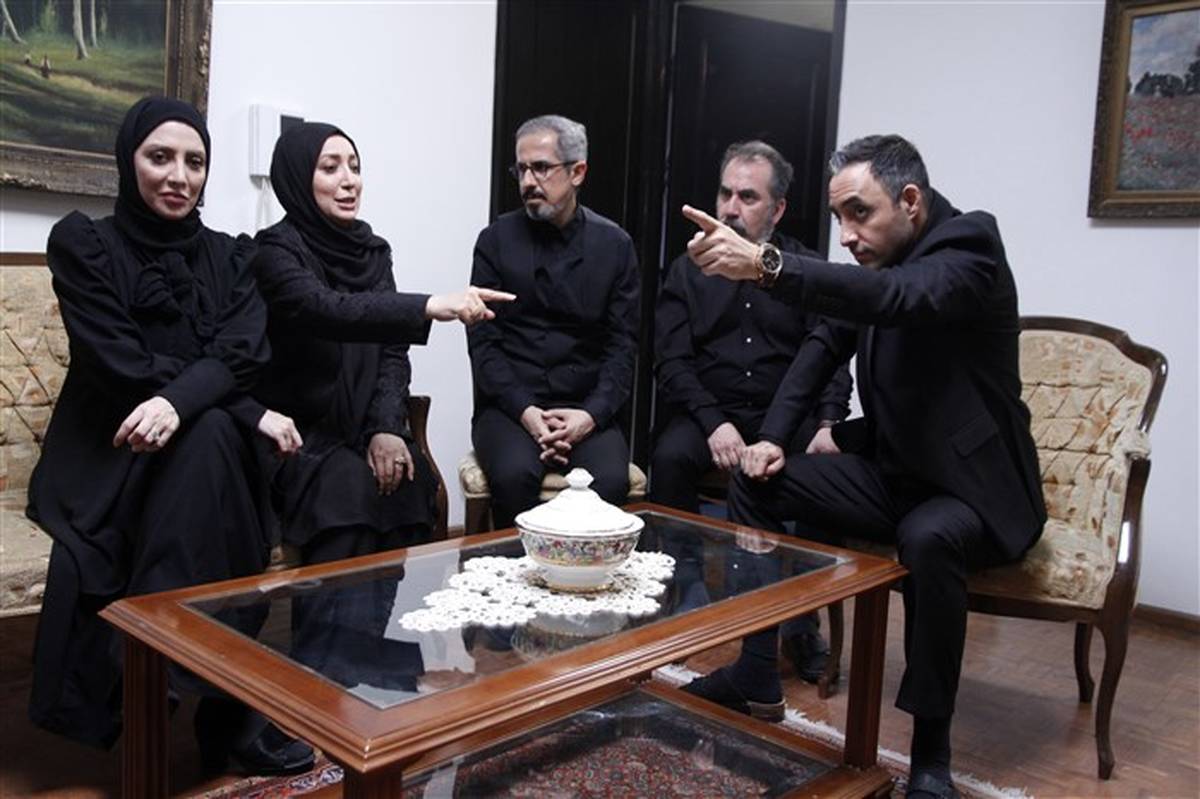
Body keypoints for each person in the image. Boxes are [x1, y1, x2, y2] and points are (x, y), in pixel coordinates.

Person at [679, 135, 1046, 798]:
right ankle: (757, 671)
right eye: (838, 217)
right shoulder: (877, 259)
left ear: (911, 200)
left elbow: (900, 298)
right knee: (757, 482)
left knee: (928, 537)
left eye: (860, 213)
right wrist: (771, 439)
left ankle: (930, 755)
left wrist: (765, 263)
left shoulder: (970, 246)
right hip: (894, 472)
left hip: (970, 489)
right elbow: (821, 348)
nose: (846, 235)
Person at [26, 97, 313, 775]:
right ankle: (229, 708)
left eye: (195, 161)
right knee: (216, 433)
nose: (179, 176)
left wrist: (185, 402)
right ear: (128, 160)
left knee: (208, 436)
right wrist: (236, 407)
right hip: (108, 449)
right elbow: (118, 362)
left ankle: (153, 668)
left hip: (197, 455)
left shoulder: (231, 257)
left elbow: (245, 352)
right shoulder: (83, 244)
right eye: (160, 157)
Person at [251, 123, 511, 690]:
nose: (349, 181)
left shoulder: (371, 251)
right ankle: (329, 663)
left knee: (401, 477)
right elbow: (327, 309)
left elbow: (391, 352)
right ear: (297, 178)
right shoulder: (273, 252)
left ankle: (357, 650)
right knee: (347, 487)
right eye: (330, 168)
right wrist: (430, 305)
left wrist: (388, 427)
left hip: (357, 427)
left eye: (355, 166)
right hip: (295, 433)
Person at [651, 140, 851, 681]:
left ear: (777, 209)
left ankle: (802, 620)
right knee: (669, 457)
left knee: (825, 468)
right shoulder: (687, 271)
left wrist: (829, 423)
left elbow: (833, 357)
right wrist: (713, 422)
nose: (731, 208)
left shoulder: (806, 271)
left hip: (783, 417)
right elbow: (671, 361)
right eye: (725, 193)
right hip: (710, 412)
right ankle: (688, 591)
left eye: (747, 197)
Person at [467, 114, 640, 529]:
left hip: (585, 407)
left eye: (541, 168)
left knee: (609, 482)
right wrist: (526, 412)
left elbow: (622, 347)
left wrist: (590, 416)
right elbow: (483, 344)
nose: (528, 181)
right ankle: (512, 570)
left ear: (577, 172)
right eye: (521, 169)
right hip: (511, 409)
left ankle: (588, 572)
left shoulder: (615, 245)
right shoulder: (494, 241)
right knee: (514, 475)